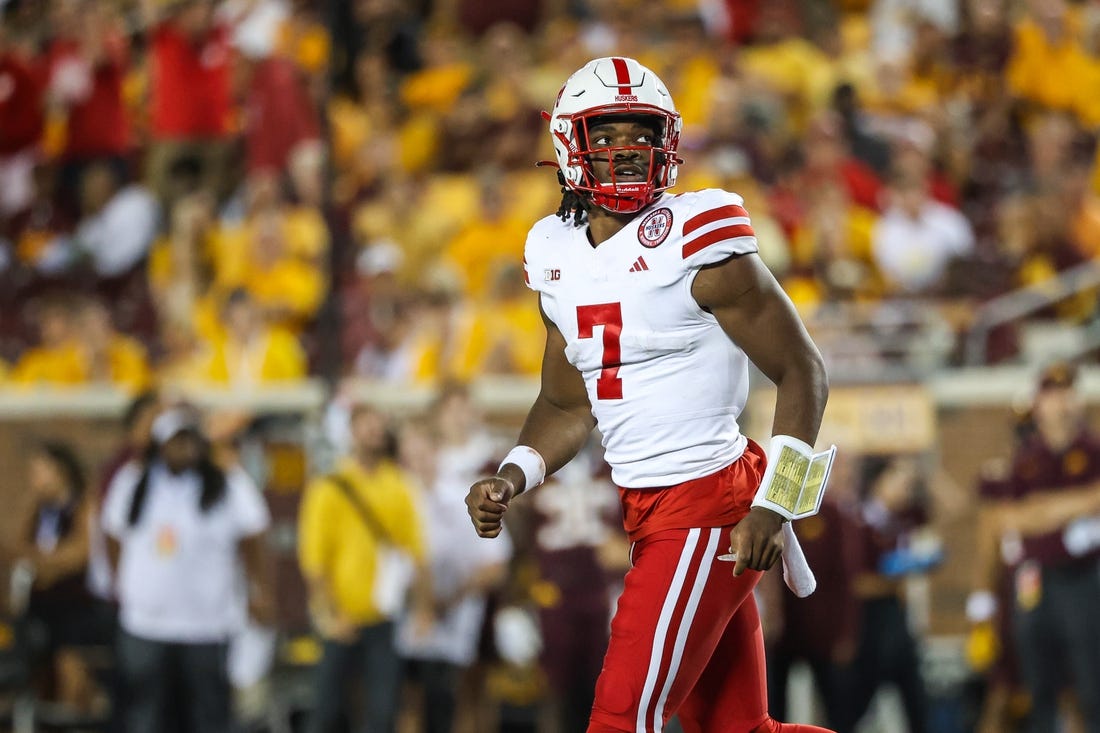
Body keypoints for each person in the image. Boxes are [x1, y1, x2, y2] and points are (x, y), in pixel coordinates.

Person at [465, 56, 833, 733]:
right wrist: (513, 474)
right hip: (651, 511)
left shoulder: (697, 235)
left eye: (640, 133)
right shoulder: (554, 252)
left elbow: (803, 369)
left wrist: (776, 502)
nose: (626, 151)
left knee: (619, 719)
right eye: (605, 136)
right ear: (569, 147)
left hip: (705, 505)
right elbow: (568, 401)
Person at [101, 405, 273, 733]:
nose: (186, 449)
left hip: (206, 624)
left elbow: (254, 534)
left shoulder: (225, 482)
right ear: (160, 445)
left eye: (191, 441)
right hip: (146, 624)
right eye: (177, 441)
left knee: (207, 715)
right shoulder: (136, 481)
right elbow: (112, 533)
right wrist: (123, 584)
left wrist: (260, 591)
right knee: (146, 715)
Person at [298, 402, 428, 733]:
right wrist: (329, 610)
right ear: (351, 432)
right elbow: (315, 557)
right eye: (366, 426)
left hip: (382, 615)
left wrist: (423, 606)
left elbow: (414, 552)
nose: (374, 433)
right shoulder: (329, 485)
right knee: (327, 708)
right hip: (339, 616)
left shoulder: (398, 485)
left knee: (382, 711)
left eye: (378, 426)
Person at [996, 363, 1100, 733]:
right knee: (1036, 675)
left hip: (1082, 578)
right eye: (1053, 395)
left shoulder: (1092, 449)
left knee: (1091, 678)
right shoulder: (1027, 456)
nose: (1062, 403)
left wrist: (1045, 508)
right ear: (1039, 403)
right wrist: (1072, 505)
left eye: (1068, 393)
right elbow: (1007, 517)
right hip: (1033, 579)